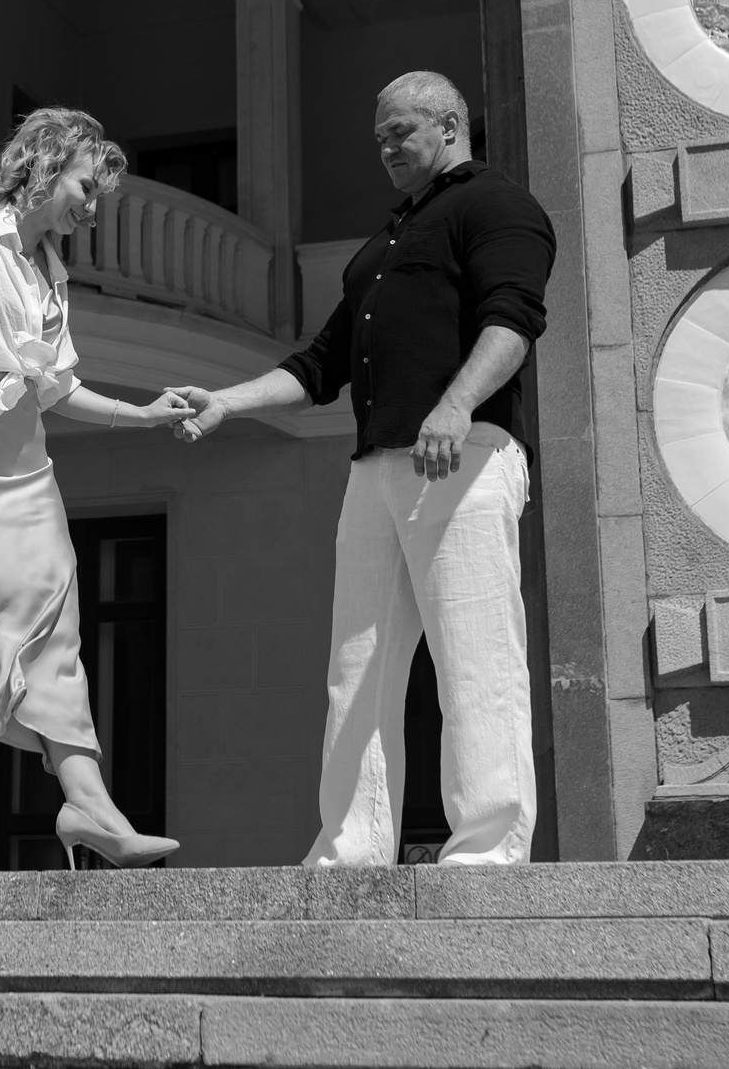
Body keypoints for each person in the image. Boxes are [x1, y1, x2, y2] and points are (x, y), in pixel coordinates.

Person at [168, 71, 555, 866]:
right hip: (374, 469)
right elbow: (321, 362)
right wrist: (227, 402)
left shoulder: (498, 205)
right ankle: (352, 848)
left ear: (449, 127)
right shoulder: (384, 244)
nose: (384, 148)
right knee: (357, 669)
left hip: (464, 456)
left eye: (399, 132)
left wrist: (455, 406)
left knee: (474, 658)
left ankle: (487, 854)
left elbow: (513, 319)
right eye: (378, 135)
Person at [0, 107, 194, 872]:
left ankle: (88, 802)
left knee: (53, 609)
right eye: (89, 187)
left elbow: (57, 385)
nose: (94, 207)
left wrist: (142, 413)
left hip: (21, 452)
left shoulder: (52, 274)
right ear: (48, 164)